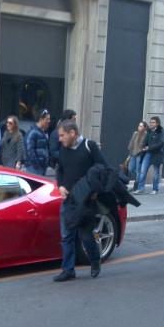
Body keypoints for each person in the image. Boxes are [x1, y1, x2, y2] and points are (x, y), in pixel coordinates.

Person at [53, 119, 106, 282]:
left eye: (62, 135)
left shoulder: (90, 146)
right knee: (66, 237)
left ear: (72, 133)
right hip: (68, 201)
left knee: (86, 237)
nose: (60, 139)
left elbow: (104, 169)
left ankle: (95, 261)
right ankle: (68, 270)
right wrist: (60, 186)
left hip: (86, 202)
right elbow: (60, 170)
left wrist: (95, 192)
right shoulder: (63, 149)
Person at [133, 116, 164, 195]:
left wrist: (149, 147)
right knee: (143, 171)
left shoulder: (161, 132)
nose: (151, 124)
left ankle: (155, 189)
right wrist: (144, 147)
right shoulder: (149, 131)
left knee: (156, 173)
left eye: (153, 122)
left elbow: (161, 143)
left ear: (157, 123)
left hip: (157, 154)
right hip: (147, 153)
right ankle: (141, 188)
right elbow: (145, 141)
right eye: (150, 122)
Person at [25, 109, 51, 176]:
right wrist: (37, 165)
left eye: (49, 119)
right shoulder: (33, 132)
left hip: (40, 167)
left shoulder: (42, 132)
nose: (49, 121)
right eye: (47, 119)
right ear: (41, 119)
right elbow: (30, 151)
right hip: (34, 169)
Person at [127, 121, 148, 190]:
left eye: (141, 126)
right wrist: (129, 155)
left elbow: (146, 145)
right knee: (130, 168)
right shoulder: (135, 134)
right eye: (139, 126)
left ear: (145, 127)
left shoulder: (146, 135)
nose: (139, 127)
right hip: (133, 154)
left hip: (140, 154)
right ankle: (138, 178)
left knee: (138, 170)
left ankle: (136, 185)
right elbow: (131, 144)